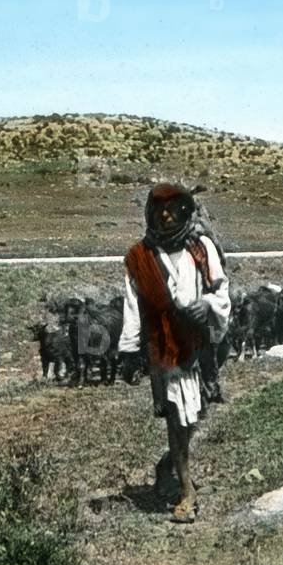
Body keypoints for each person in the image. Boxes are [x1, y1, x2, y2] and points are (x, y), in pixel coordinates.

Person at [118, 183, 231, 523]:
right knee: (174, 416)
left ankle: (170, 464)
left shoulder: (201, 248)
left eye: (172, 209)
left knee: (195, 413)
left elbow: (220, 287)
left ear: (185, 211)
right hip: (162, 349)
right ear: (150, 214)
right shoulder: (139, 257)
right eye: (158, 210)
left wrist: (205, 305)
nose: (165, 216)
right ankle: (186, 492)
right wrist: (128, 348)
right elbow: (132, 305)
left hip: (197, 346)